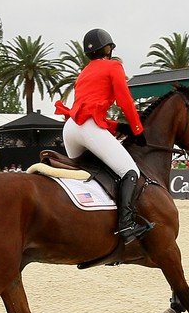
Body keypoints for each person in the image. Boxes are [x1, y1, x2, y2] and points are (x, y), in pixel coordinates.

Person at [54, 28, 151, 242]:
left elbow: (89, 110)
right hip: (88, 128)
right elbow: (124, 100)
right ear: (108, 48)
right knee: (129, 171)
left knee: (89, 175)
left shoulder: (84, 73)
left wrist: (118, 127)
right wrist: (137, 129)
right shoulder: (113, 66)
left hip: (71, 128)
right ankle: (126, 227)